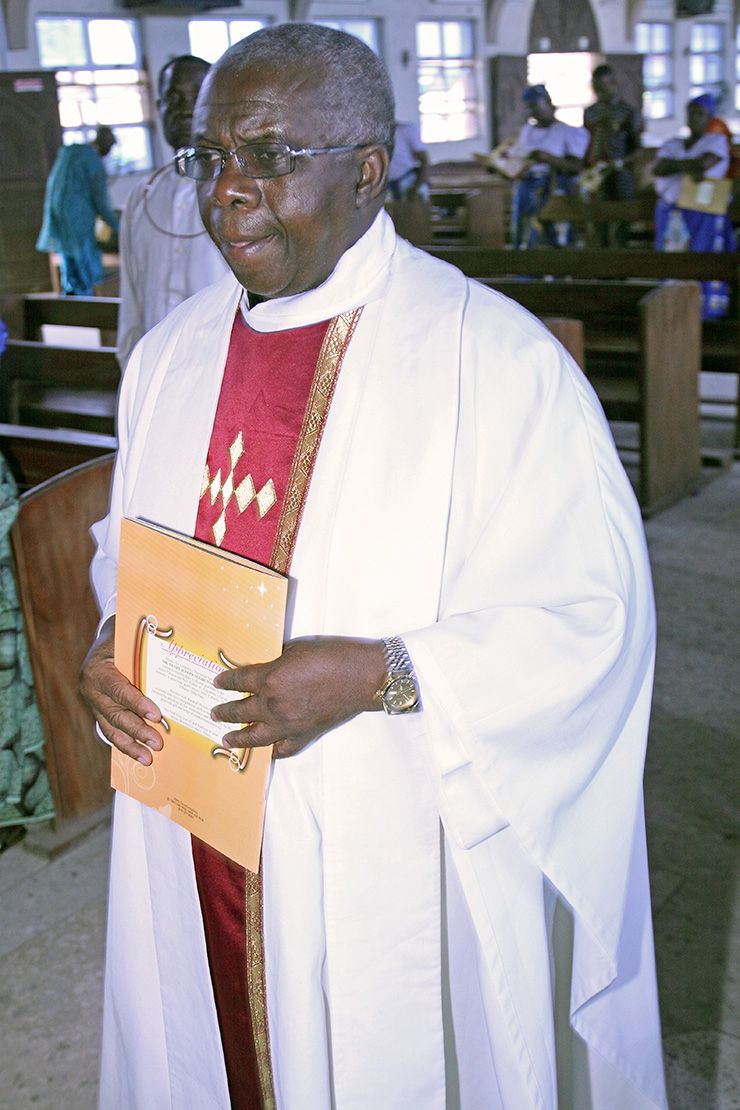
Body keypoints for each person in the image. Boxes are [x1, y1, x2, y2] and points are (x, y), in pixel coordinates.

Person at [80, 23, 667, 1109]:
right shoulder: (170, 356)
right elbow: (130, 546)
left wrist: (378, 674)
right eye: (212, 157)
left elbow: (591, 622)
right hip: (186, 817)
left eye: (267, 155)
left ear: (364, 169)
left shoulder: (491, 363)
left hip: (375, 827)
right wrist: (107, 640)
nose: (228, 193)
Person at [116, 55, 230, 368]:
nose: (183, 107)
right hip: (156, 371)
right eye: (173, 98)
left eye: (197, 97)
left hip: (221, 368)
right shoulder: (143, 196)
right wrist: (130, 370)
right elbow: (132, 301)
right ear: (159, 107)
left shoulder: (240, 191)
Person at [653, 92, 735, 319]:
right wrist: (691, 167)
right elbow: (659, 169)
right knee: (674, 263)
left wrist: (676, 166)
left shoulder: (716, 141)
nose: (694, 118)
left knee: (703, 261)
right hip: (672, 212)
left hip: (704, 213)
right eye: (691, 113)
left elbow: (705, 163)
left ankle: (706, 313)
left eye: (700, 114)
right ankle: (673, 311)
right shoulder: (673, 143)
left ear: (709, 118)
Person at [36, 125, 119, 296]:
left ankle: (73, 299)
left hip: (57, 215)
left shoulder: (69, 152)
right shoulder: (93, 162)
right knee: (85, 270)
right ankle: (86, 304)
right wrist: (121, 228)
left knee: (70, 264)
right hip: (78, 220)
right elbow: (102, 204)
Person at [506, 85, 589, 248]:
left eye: (536, 105)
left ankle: (556, 270)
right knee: (525, 235)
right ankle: (526, 270)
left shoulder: (567, 131)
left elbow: (576, 167)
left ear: (549, 103)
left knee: (553, 236)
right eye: (529, 107)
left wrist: (549, 158)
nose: (533, 112)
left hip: (552, 187)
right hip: (525, 186)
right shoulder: (526, 131)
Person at [583, 63, 643, 247]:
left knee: (618, 225)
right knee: (596, 223)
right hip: (595, 175)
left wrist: (620, 162)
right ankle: (599, 270)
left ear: (614, 83)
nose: (600, 92)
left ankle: (618, 272)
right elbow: (585, 143)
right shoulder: (590, 112)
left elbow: (638, 150)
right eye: (596, 88)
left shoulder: (628, 112)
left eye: (603, 87)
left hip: (620, 175)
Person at [387, 119, 429, 200]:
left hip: (408, 182)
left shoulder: (407, 130)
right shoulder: (376, 134)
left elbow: (424, 160)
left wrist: (416, 187)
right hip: (387, 187)